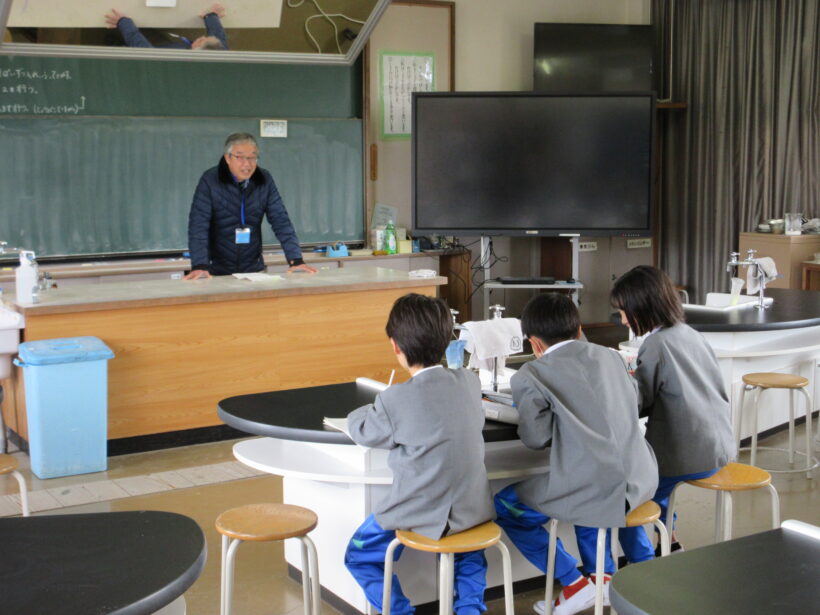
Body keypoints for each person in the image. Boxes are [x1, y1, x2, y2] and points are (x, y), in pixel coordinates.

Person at [493, 293, 658, 615]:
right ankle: (604, 578)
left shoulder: (530, 375)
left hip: (595, 490)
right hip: (642, 477)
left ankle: (576, 582)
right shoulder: (611, 358)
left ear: (534, 343)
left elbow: (536, 439)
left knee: (506, 505)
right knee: (589, 480)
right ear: (577, 327)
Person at [344, 293, 495, 615]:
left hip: (417, 509)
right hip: (473, 509)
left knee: (358, 555)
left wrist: (364, 409)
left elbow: (363, 431)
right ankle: (470, 610)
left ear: (396, 345)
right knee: (468, 556)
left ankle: (400, 611)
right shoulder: (469, 382)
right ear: (446, 342)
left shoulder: (394, 400)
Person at [611, 265, 737, 555]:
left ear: (641, 308)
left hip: (686, 454)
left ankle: (642, 563)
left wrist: (619, 379)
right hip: (718, 446)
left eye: (623, 311)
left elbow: (637, 403)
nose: (621, 319)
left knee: (625, 495)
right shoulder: (690, 333)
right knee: (656, 477)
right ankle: (671, 540)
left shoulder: (656, 344)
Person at [184, 133, 316, 278]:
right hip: (216, 270)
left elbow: (281, 221)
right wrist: (199, 264)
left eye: (252, 157)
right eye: (240, 157)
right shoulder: (210, 180)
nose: (247, 164)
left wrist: (295, 259)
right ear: (228, 158)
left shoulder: (264, 180)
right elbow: (198, 225)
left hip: (253, 269)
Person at [104, 3, 228, 50]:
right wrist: (211, 17)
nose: (201, 36)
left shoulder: (174, 61)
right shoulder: (220, 53)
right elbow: (218, 39)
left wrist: (123, 23)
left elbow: (144, 50)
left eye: (201, 40)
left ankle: (118, 47)